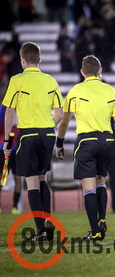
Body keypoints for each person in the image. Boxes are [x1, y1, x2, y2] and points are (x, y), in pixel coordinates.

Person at [56, 55, 115, 241]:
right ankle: (102, 219)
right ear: (100, 71)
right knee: (101, 180)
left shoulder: (76, 90)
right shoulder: (111, 91)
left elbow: (64, 121)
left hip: (87, 141)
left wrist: (59, 142)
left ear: (82, 72)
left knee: (88, 187)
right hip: (107, 141)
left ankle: (94, 230)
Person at [3, 42, 63, 241]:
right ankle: (48, 220)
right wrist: (47, 125)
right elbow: (60, 113)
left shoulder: (17, 80)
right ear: (39, 59)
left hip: (27, 134)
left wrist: (6, 140)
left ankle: (41, 230)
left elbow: (10, 111)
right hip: (47, 134)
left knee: (31, 182)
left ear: (22, 60)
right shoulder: (50, 80)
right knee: (42, 177)